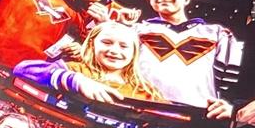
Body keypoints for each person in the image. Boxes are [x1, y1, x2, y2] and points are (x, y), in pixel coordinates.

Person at [137, 0, 235, 118]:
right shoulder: (137, 30)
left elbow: (232, 76)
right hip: (143, 107)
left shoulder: (216, 33)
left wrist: (231, 105)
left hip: (198, 113)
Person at [12, 22, 166, 105]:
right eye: (107, 42)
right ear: (92, 44)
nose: (114, 50)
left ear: (134, 53)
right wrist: (75, 81)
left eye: (123, 46)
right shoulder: (74, 69)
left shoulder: (147, 91)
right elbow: (22, 69)